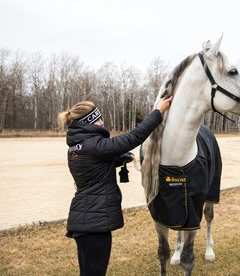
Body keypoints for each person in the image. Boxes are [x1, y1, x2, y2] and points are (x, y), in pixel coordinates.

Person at [57, 96, 172, 276]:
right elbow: (134, 137)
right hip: (94, 225)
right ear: (90, 122)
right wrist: (158, 112)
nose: (103, 122)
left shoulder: (76, 147)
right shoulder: (96, 146)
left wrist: (116, 160)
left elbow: (94, 168)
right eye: (99, 118)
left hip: (84, 222)